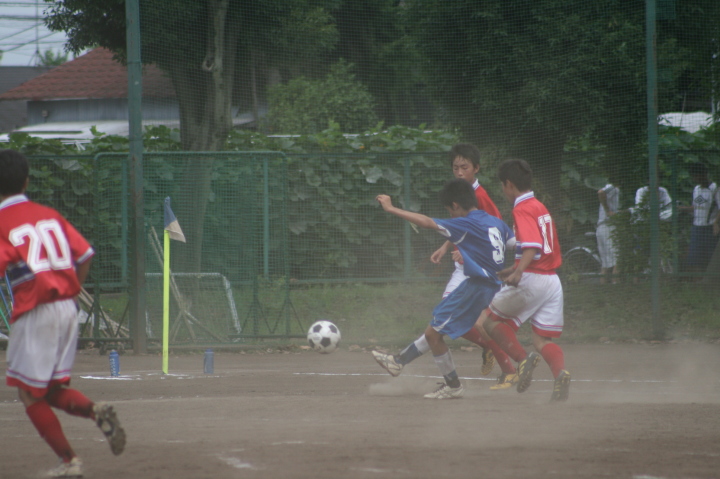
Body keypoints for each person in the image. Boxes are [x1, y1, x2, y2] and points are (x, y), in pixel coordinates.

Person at [0, 149, 126, 477]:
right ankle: (96, 411)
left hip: (35, 311)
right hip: (67, 309)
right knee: (51, 390)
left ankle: (70, 461)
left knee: (29, 393)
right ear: (26, 181)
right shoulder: (48, 215)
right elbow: (85, 254)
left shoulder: (2, 222)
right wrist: (70, 291)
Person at [373, 178, 514, 399]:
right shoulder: (495, 222)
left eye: (449, 210)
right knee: (436, 329)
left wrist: (391, 209)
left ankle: (453, 386)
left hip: (477, 288)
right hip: (485, 286)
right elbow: (516, 244)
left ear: (455, 205)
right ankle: (399, 361)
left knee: (434, 334)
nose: (450, 214)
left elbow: (427, 222)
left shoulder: (465, 223)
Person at [473, 159, 570, 403]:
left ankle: (522, 360)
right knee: (541, 339)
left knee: (490, 322)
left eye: (502, 186)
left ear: (508, 184)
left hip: (533, 278)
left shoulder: (522, 208)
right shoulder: (539, 206)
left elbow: (532, 246)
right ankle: (560, 374)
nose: (503, 190)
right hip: (551, 281)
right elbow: (540, 247)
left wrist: (519, 273)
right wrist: (514, 267)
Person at [425, 143, 517, 389]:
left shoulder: (480, 196)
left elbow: (494, 230)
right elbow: (462, 227)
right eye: (455, 167)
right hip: (467, 267)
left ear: (476, 168)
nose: (459, 172)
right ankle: (496, 355)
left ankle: (508, 367)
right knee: (456, 318)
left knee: (468, 321)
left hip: (480, 269)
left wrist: (471, 256)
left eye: (464, 167)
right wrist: (446, 247)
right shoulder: (461, 194)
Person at [679, 163, 719, 274]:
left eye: (696, 176)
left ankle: (711, 279)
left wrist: (716, 223)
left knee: (711, 256)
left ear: (703, 175)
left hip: (710, 228)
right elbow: (695, 207)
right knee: (695, 255)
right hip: (697, 227)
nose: (695, 179)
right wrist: (681, 208)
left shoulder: (715, 189)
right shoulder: (696, 189)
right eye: (693, 176)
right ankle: (699, 279)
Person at [597, 181, 620, 284]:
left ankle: (603, 288)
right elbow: (601, 192)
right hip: (608, 227)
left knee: (605, 264)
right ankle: (616, 286)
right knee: (617, 259)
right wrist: (608, 211)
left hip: (601, 227)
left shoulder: (613, 188)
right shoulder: (612, 187)